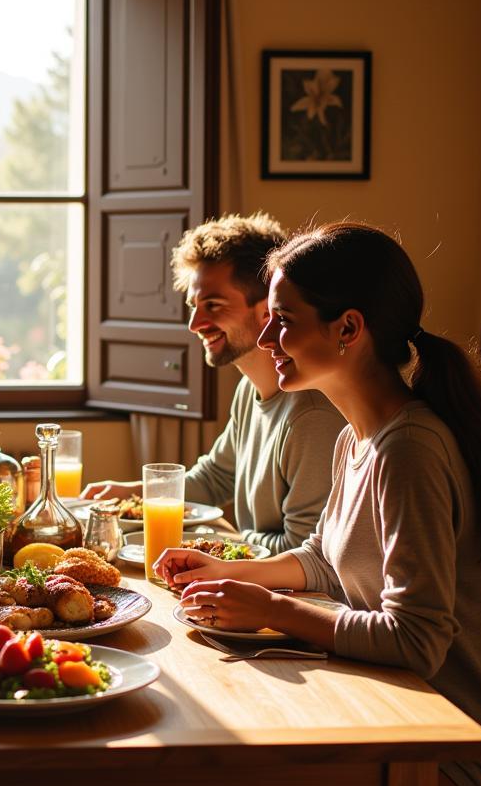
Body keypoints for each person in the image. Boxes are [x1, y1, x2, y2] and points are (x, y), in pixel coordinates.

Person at [33, 222, 481, 786]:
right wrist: (242, 574)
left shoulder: (409, 450)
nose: (264, 340)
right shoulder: (361, 436)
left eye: (282, 322)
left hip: (457, 757)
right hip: (384, 718)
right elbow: (322, 556)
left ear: (348, 329)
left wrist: (275, 610)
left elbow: (418, 639)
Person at [83, 212, 344, 554]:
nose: (195, 323)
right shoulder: (249, 390)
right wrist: (134, 493)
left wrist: (218, 541)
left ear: (268, 309)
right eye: (194, 305)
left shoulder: (311, 415)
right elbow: (215, 478)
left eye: (213, 305)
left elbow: (302, 550)